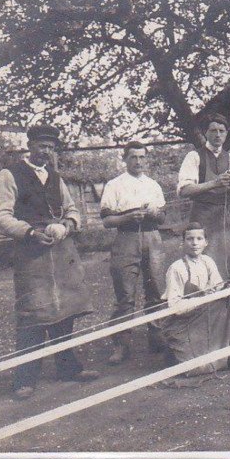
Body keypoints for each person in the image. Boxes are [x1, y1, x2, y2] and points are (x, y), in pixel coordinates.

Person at [0, 124, 100, 400]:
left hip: (61, 251)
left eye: (50, 147)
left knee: (65, 311)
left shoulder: (55, 176)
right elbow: (0, 217)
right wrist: (29, 232)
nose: (46, 151)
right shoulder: (10, 174)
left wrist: (67, 224)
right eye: (41, 145)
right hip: (31, 252)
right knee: (33, 314)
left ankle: (68, 368)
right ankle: (24, 379)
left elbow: (73, 209)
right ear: (30, 145)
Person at [100, 141, 168, 364]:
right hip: (126, 238)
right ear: (125, 159)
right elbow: (107, 220)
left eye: (142, 157)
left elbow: (163, 217)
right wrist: (128, 217)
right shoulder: (114, 185)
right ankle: (121, 345)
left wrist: (155, 213)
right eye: (133, 157)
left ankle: (157, 337)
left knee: (156, 290)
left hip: (152, 237)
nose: (138, 162)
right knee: (125, 295)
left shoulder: (153, 185)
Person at [161, 222, 230, 376]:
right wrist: (204, 298)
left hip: (206, 313)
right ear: (183, 242)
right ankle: (174, 352)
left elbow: (217, 288)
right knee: (196, 368)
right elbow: (175, 307)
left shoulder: (208, 262)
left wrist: (226, 288)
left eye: (199, 238)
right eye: (190, 239)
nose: (195, 243)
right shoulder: (177, 268)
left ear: (206, 242)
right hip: (184, 322)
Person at [177, 113, 230, 281]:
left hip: (225, 220)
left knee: (228, 265)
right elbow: (184, 190)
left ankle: (228, 303)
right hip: (202, 219)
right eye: (213, 130)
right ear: (205, 133)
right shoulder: (194, 156)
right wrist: (214, 183)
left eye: (221, 131)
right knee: (203, 266)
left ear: (226, 133)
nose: (218, 135)